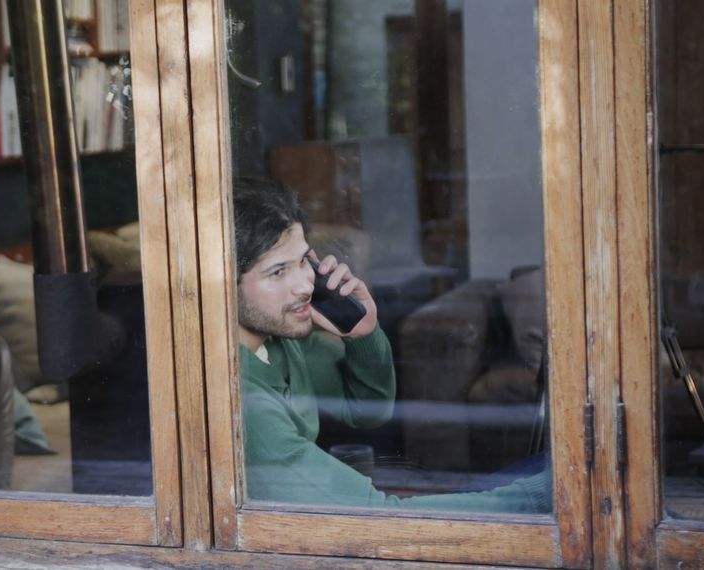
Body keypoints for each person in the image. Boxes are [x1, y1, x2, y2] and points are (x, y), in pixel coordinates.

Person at [234, 177, 550, 513]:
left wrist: (362, 336)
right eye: (277, 272)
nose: (304, 286)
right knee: (542, 487)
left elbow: (366, 410)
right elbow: (378, 517)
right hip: (345, 530)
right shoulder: (245, 404)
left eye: (302, 263)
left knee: (541, 469)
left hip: (352, 519)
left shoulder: (279, 339)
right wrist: (542, 499)